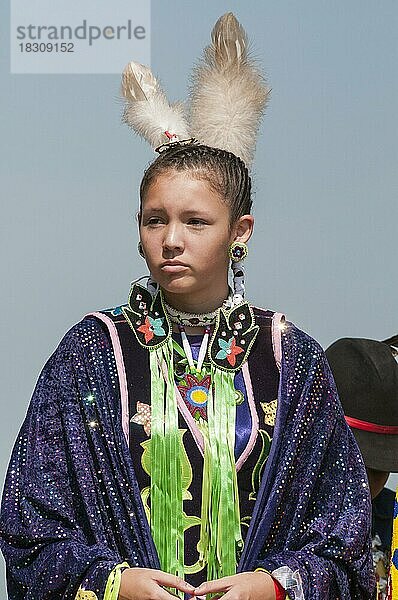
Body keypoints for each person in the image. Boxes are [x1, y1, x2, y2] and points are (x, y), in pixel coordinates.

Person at [0, 13, 374, 600]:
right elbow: (28, 524)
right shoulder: (90, 354)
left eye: (195, 221)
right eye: (155, 220)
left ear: (240, 230)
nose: (171, 240)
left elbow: (345, 533)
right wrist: (115, 584)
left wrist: (273, 586)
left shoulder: (293, 360)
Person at [326, 335, 398, 600]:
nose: (363, 481)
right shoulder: (267, 516)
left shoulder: (393, 520)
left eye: (377, 468)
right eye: (351, 462)